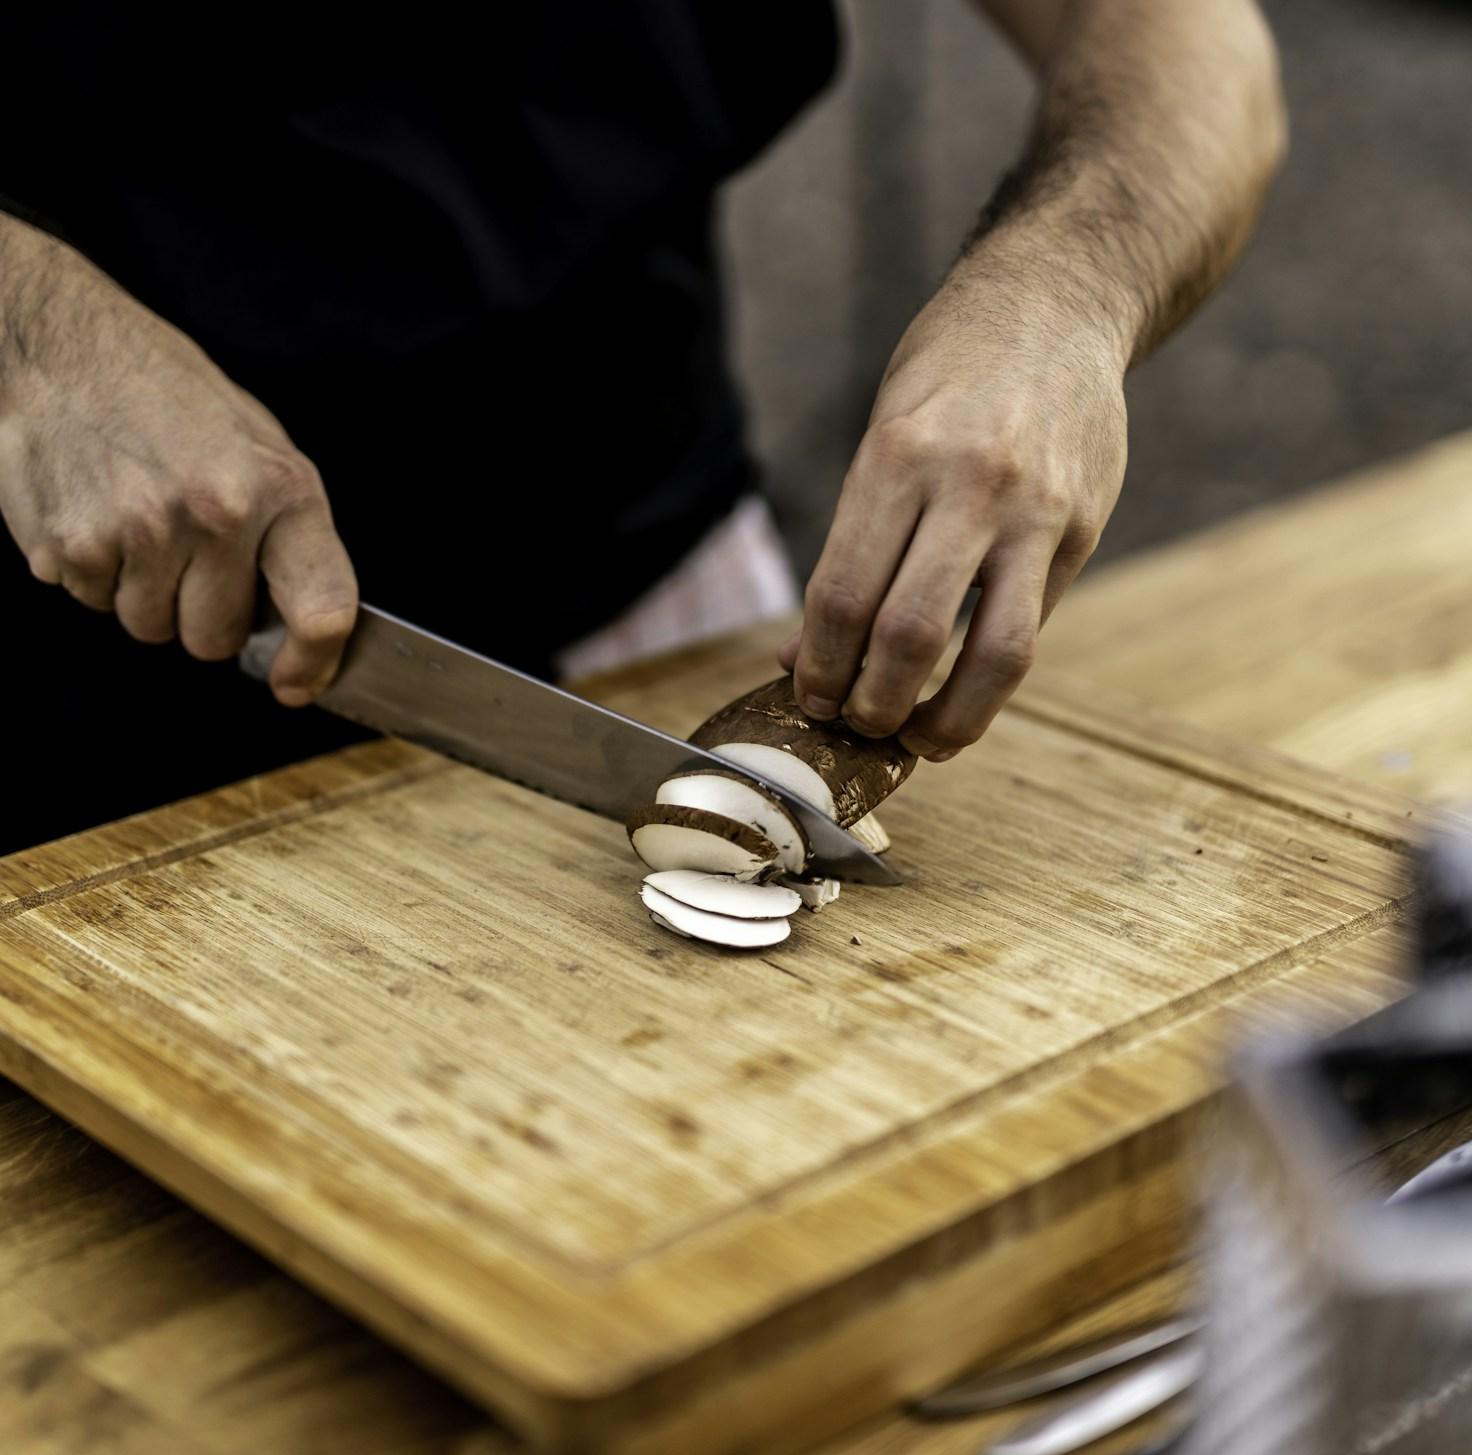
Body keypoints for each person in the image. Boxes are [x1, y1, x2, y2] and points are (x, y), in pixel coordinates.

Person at [0, 2, 1285, 852]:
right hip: (68, 645)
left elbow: (1189, 46)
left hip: (656, 562)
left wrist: (1058, 298)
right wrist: (32, 336)